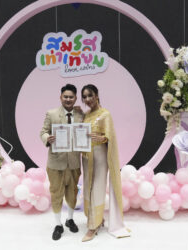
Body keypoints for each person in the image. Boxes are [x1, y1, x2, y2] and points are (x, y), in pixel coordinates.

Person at [81, 84, 130, 242]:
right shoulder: (86, 115)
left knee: (97, 188)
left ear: (97, 95)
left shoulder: (105, 114)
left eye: (90, 95)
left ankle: (93, 227)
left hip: (100, 155)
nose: (87, 99)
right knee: (87, 187)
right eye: (85, 96)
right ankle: (97, 219)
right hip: (86, 156)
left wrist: (102, 138)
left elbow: (110, 136)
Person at [40, 84, 84, 240]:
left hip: (74, 162)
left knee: (72, 193)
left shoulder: (80, 114)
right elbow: (43, 132)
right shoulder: (51, 114)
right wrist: (47, 138)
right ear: (60, 97)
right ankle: (58, 224)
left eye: (71, 97)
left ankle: (70, 220)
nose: (68, 99)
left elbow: (83, 131)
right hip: (55, 162)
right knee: (56, 193)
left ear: (75, 98)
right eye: (65, 96)